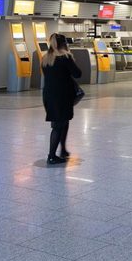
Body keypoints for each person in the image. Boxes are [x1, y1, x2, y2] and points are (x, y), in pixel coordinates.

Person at [42, 33, 82, 165]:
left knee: (62, 121)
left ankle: (63, 150)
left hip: (49, 95)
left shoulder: (46, 58)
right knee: (58, 125)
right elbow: (78, 73)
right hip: (63, 95)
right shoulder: (65, 57)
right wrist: (70, 57)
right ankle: (52, 156)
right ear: (64, 44)